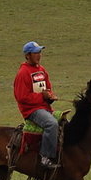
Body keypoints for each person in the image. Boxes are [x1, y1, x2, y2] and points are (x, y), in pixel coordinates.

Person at [13, 41, 60, 169]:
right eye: (36, 53)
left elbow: (47, 88)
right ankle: (45, 158)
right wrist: (42, 97)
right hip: (31, 110)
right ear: (28, 55)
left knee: (63, 121)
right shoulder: (23, 73)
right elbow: (22, 97)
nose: (39, 55)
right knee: (52, 124)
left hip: (45, 107)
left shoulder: (41, 69)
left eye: (39, 52)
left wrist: (50, 96)